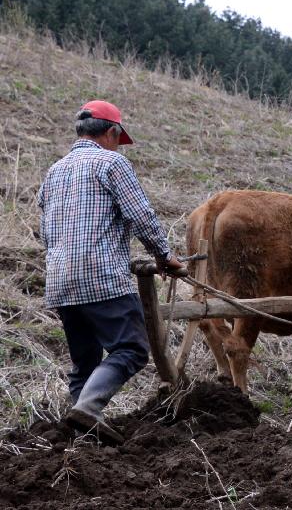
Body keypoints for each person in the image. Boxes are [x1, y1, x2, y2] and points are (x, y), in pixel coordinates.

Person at [37, 100, 184, 444]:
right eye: (119, 138)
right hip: (101, 276)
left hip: (59, 279)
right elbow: (141, 216)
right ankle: (89, 407)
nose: (119, 144)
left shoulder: (54, 170)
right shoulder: (112, 162)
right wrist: (165, 256)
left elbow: (46, 231)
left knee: (84, 361)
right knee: (131, 348)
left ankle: (80, 434)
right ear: (111, 132)